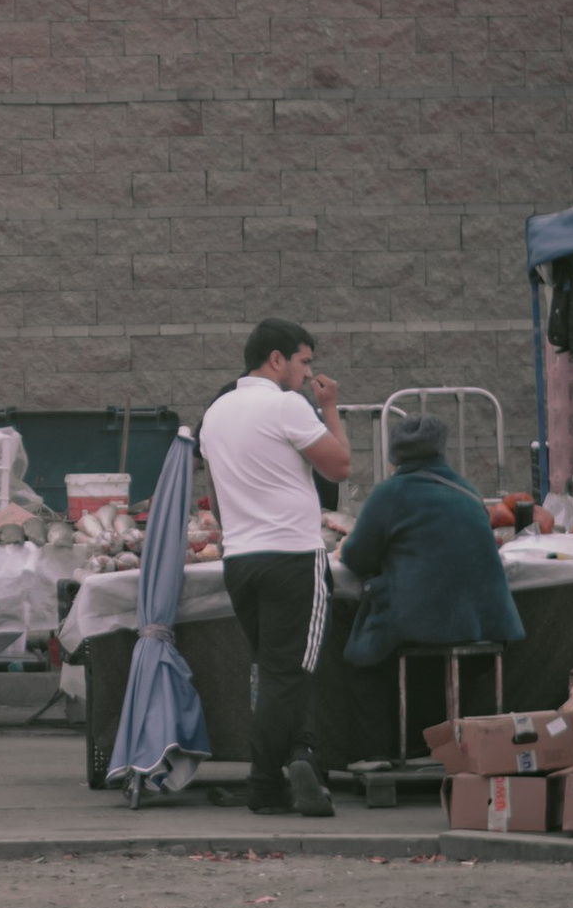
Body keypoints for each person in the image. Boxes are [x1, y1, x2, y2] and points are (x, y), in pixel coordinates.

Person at [196, 314, 351, 817]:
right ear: (278, 359)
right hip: (292, 556)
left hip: (240, 559)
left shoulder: (215, 413)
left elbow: (217, 503)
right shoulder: (287, 405)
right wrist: (329, 408)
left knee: (280, 670)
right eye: (305, 362)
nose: (309, 374)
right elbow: (339, 466)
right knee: (289, 673)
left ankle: (302, 756)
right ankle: (264, 781)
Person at [337, 418, 524, 679]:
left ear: (394, 456)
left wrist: (347, 544)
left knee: (357, 663)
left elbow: (357, 558)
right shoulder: (468, 492)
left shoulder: (389, 493)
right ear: (440, 448)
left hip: (421, 628)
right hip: (487, 628)